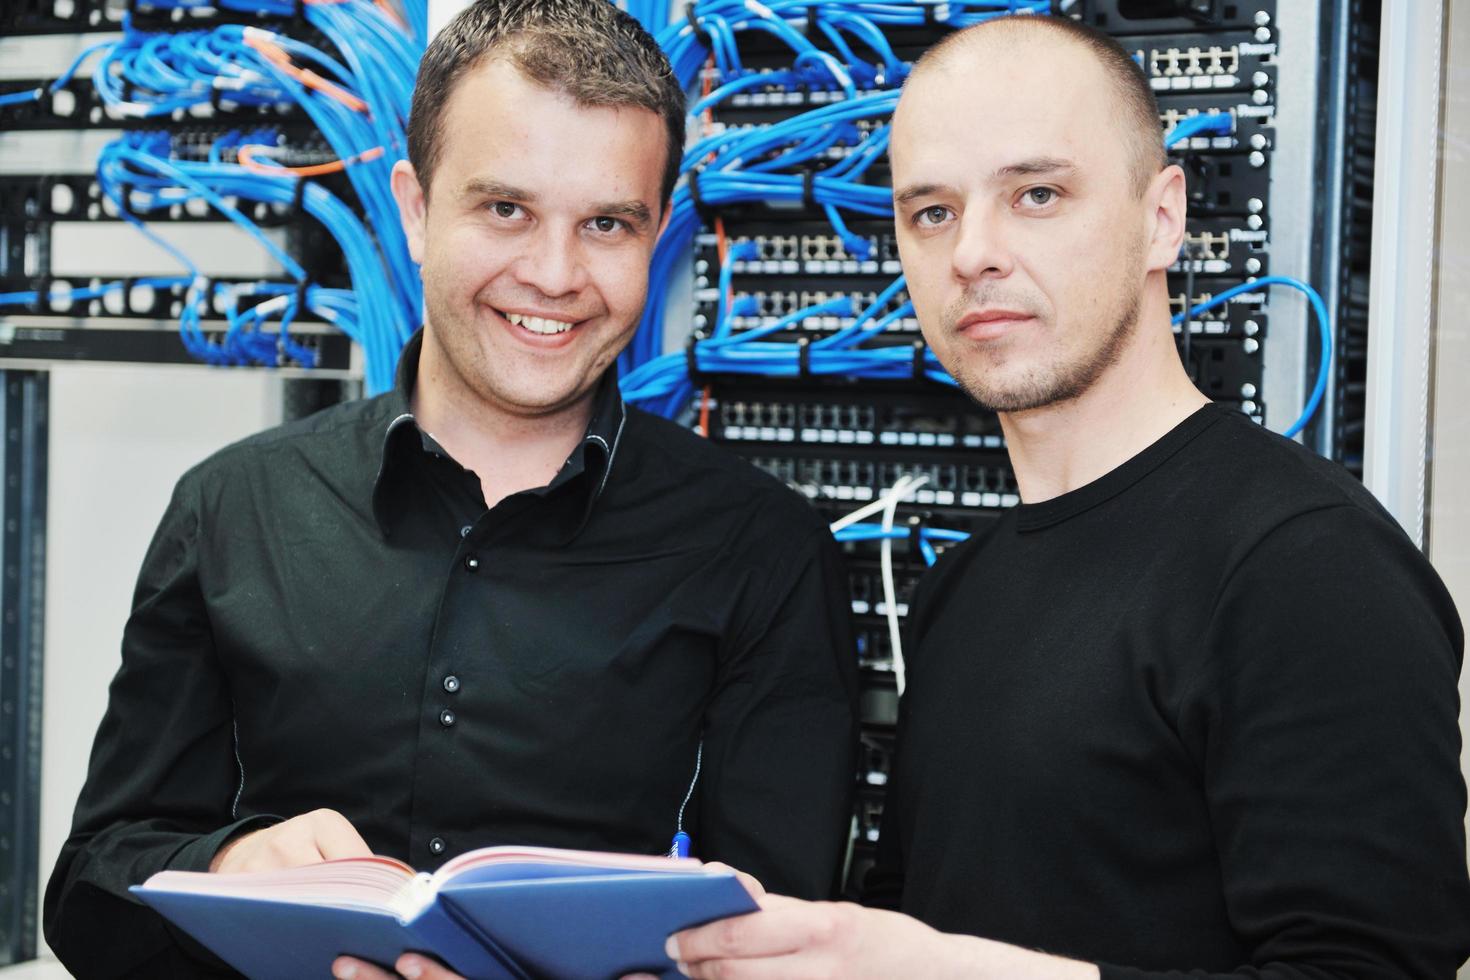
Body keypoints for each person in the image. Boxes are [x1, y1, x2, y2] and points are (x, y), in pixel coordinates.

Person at [43, 2, 859, 976]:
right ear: (417, 208)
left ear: (656, 232)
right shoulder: (234, 509)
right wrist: (228, 858)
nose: (554, 275)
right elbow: (94, 884)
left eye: (606, 222)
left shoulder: (762, 548)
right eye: (506, 209)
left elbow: (796, 938)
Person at [658, 14, 1470, 980]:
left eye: (1036, 194)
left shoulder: (1304, 566)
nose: (973, 253)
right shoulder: (963, 590)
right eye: (932, 212)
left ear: (1163, 215)